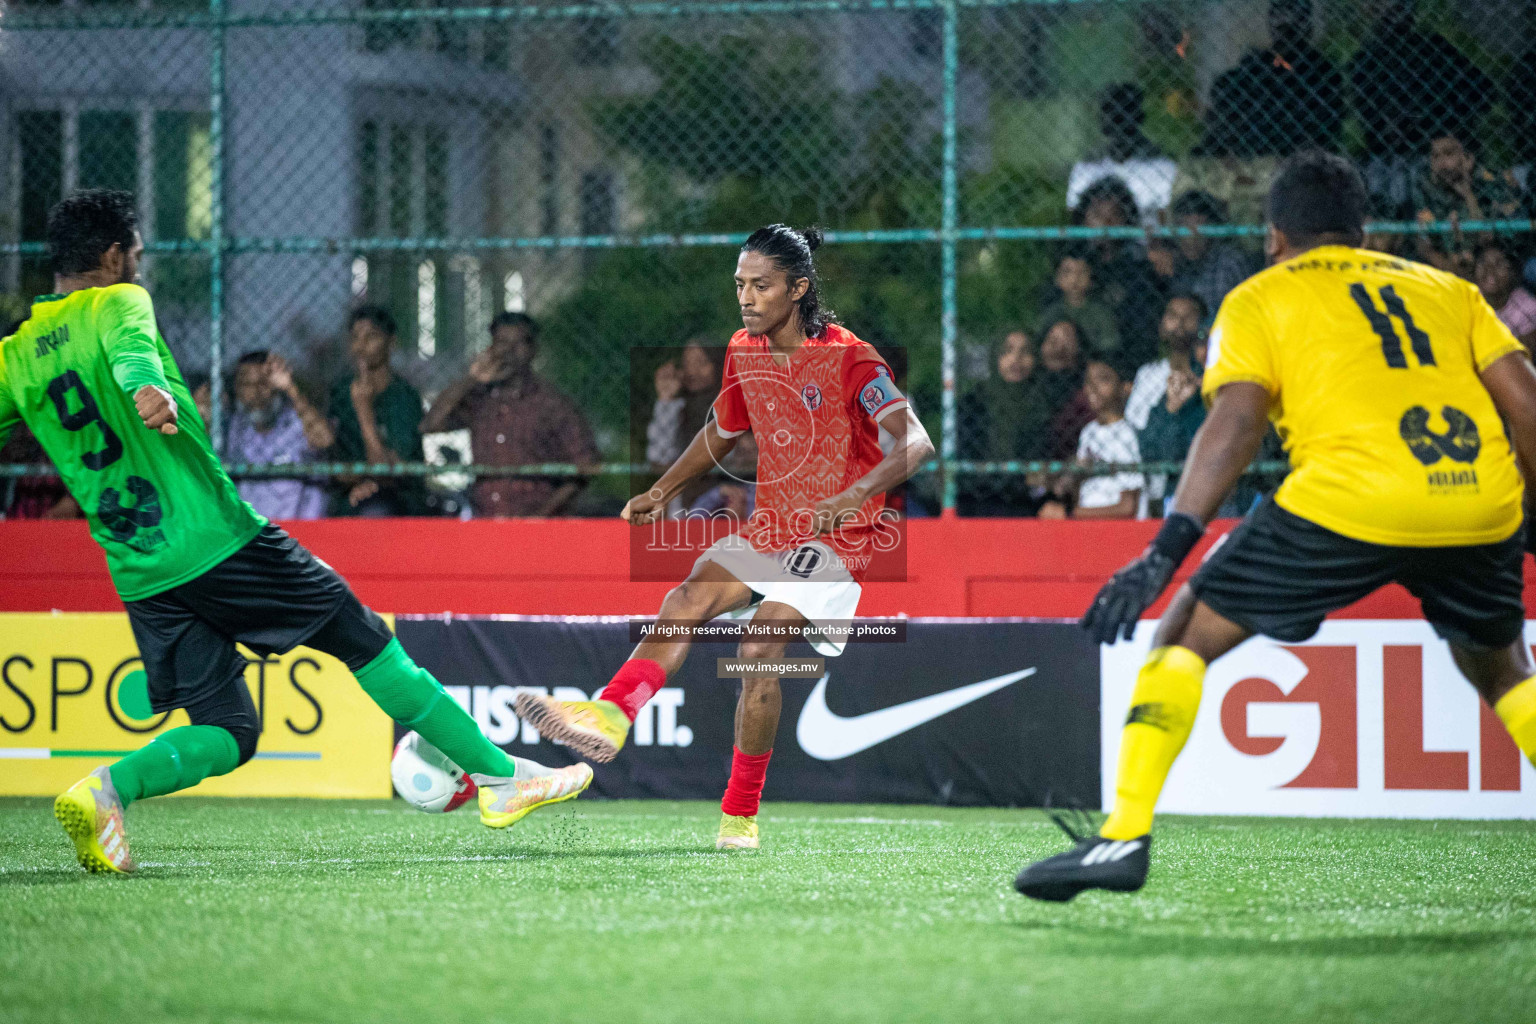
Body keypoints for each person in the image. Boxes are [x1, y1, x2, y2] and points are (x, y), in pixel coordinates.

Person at [0, 190, 589, 874]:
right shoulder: (118, 303)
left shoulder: (16, 355)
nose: (140, 269)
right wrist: (143, 390)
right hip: (216, 538)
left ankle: (105, 791)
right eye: (136, 255)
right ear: (113, 256)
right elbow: (132, 357)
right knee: (362, 635)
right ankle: (499, 777)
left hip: (140, 568)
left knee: (230, 731)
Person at [1015, 152, 1536, 901]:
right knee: (1504, 669)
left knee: (1186, 629)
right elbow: (1527, 407)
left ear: (1272, 237)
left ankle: (1122, 835)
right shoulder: (1449, 291)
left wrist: (1166, 550)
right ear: (1361, 231)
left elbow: (1235, 425)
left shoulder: (1260, 298)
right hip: (1477, 496)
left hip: (1347, 497)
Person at [514, 225, 934, 851]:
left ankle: (739, 816)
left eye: (761, 286)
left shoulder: (852, 357)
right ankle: (609, 714)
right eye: (740, 285)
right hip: (772, 526)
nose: (747, 297)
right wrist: (662, 489)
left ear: (799, 288)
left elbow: (917, 442)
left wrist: (851, 496)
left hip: (841, 536)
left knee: (760, 647)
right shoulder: (743, 348)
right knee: (686, 599)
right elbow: (721, 430)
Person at [420, 312, 599, 517]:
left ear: (532, 350)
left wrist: (542, 515)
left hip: (537, 522)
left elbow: (587, 465)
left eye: (518, 344)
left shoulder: (552, 403)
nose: (508, 351)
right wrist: (472, 378)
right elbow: (430, 425)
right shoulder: (480, 398)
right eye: (501, 343)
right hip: (486, 519)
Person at [1347, 0, 1494, 216]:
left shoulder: (1434, 49)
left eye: (1397, 8)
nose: (1392, 17)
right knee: (1386, 181)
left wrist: (1438, 120)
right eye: (1384, 9)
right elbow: (1366, 116)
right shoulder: (1367, 59)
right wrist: (1388, 126)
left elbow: (1483, 93)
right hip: (1388, 155)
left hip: (1432, 144)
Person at [1197, 0, 1341, 158]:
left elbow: (1328, 120)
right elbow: (1225, 88)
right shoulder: (1258, 65)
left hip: (1298, 135)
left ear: (1306, 25)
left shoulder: (1321, 71)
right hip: (1261, 134)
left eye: (1292, 22)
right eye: (1280, 21)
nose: (1286, 29)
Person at [328, 306, 426, 516]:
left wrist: (364, 410)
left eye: (371, 337)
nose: (361, 346)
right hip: (351, 495)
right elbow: (334, 463)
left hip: (399, 502)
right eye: (355, 338)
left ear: (391, 342)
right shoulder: (341, 393)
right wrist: (360, 480)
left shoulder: (404, 397)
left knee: (376, 508)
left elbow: (387, 470)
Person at [223, 349, 333, 520]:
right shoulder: (232, 428)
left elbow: (324, 439)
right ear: (236, 389)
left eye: (264, 383)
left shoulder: (298, 420)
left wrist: (291, 388)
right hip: (252, 534)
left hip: (301, 532)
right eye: (247, 384)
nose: (256, 393)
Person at [957, 329, 1053, 516]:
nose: (1016, 359)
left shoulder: (1041, 405)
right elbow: (965, 468)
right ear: (996, 358)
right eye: (1007, 351)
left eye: (1026, 352)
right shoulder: (973, 403)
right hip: (978, 502)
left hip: (1026, 504)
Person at [1408, 133, 1523, 278]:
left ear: (1468, 157)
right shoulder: (1426, 186)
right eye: (1435, 157)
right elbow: (1424, 246)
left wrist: (1468, 194)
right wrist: (1455, 273)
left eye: (1449, 154)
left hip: (1488, 270)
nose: (1441, 164)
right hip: (1446, 269)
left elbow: (1489, 240)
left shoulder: (1490, 182)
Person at [1065, 83, 1177, 226]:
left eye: (1125, 114)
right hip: (1098, 243)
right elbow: (1075, 217)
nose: (1118, 124)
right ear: (1102, 122)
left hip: (1144, 244)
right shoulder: (1086, 168)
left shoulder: (1161, 167)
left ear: (1139, 118)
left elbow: (1165, 222)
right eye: (1112, 116)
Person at [1073, 178, 1166, 350]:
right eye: (1097, 215)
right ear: (1084, 218)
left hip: (1129, 345)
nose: (1105, 224)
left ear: (1127, 219)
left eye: (1114, 215)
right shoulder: (1075, 258)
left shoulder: (1139, 261)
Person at [645, 340, 721, 515]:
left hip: (729, 496)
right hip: (684, 504)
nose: (692, 371)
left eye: (702, 363)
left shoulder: (736, 405)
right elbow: (659, 456)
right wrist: (665, 398)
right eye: (687, 364)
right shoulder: (678, 408)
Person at [1167, 191, 1257, 325]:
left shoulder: (1229, 262)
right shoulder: (1173, 259)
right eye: (1185, 230)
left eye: (1200, 230)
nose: (1192, 239)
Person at [1072, 358, 1142, 520]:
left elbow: (1128, 507)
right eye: (1088, 381)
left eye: (1103, 379)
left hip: (1118, 528)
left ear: (1125, 388)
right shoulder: (1088, 432)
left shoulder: (1127, 434)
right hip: (1088, 523)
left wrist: (1073, 514)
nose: (1093, 388)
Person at [1035, 251, 1121, 359]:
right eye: (1067, 272)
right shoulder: (1052, 312)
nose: (1074, 279)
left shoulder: (1101, 313)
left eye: (1081, 273)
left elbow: (1109, 345)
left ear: (1091, 279)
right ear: (1057, 279)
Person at [1474, 243, 1536, 352]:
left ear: (1512, 272)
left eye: (1499, 264)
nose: (1489, 269)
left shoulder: (1527, 306)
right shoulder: (1468, 297)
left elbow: (1525, 358)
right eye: (1482, 262)